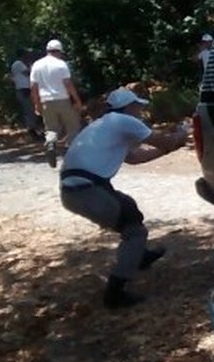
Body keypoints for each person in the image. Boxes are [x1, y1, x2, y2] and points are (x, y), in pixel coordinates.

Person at [59, 87, 188, 309]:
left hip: (74, 189)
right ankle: (115, 293)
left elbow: (135, 158)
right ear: (129, 107)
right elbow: (163, 142)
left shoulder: (104, 124)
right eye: (138, 106)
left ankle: (139, 256)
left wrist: (169, 150)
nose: (140, 111)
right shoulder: (123, 121)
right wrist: (181, 134)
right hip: (87, 189)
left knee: (127, 206)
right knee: (136, 232)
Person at [29, 39, 83, 167]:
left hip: (46, 101)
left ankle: (51, 143)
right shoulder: (61, 64)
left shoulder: (37, 65)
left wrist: (36, 103)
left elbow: (33, 87)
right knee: (72, 126)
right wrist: (76, 100)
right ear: (59, 51)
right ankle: (72, 153)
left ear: (47, 50)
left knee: (51, 128)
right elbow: (68, 84)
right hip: (62, 100)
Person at [9, 49, 42, 140]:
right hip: (24, 90)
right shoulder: (18, 64)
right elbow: (28, 73)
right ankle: (32, 131)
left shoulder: (18, 64)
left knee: (30, 110)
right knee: (29, 110)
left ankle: (33, 129)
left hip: (24, 89)